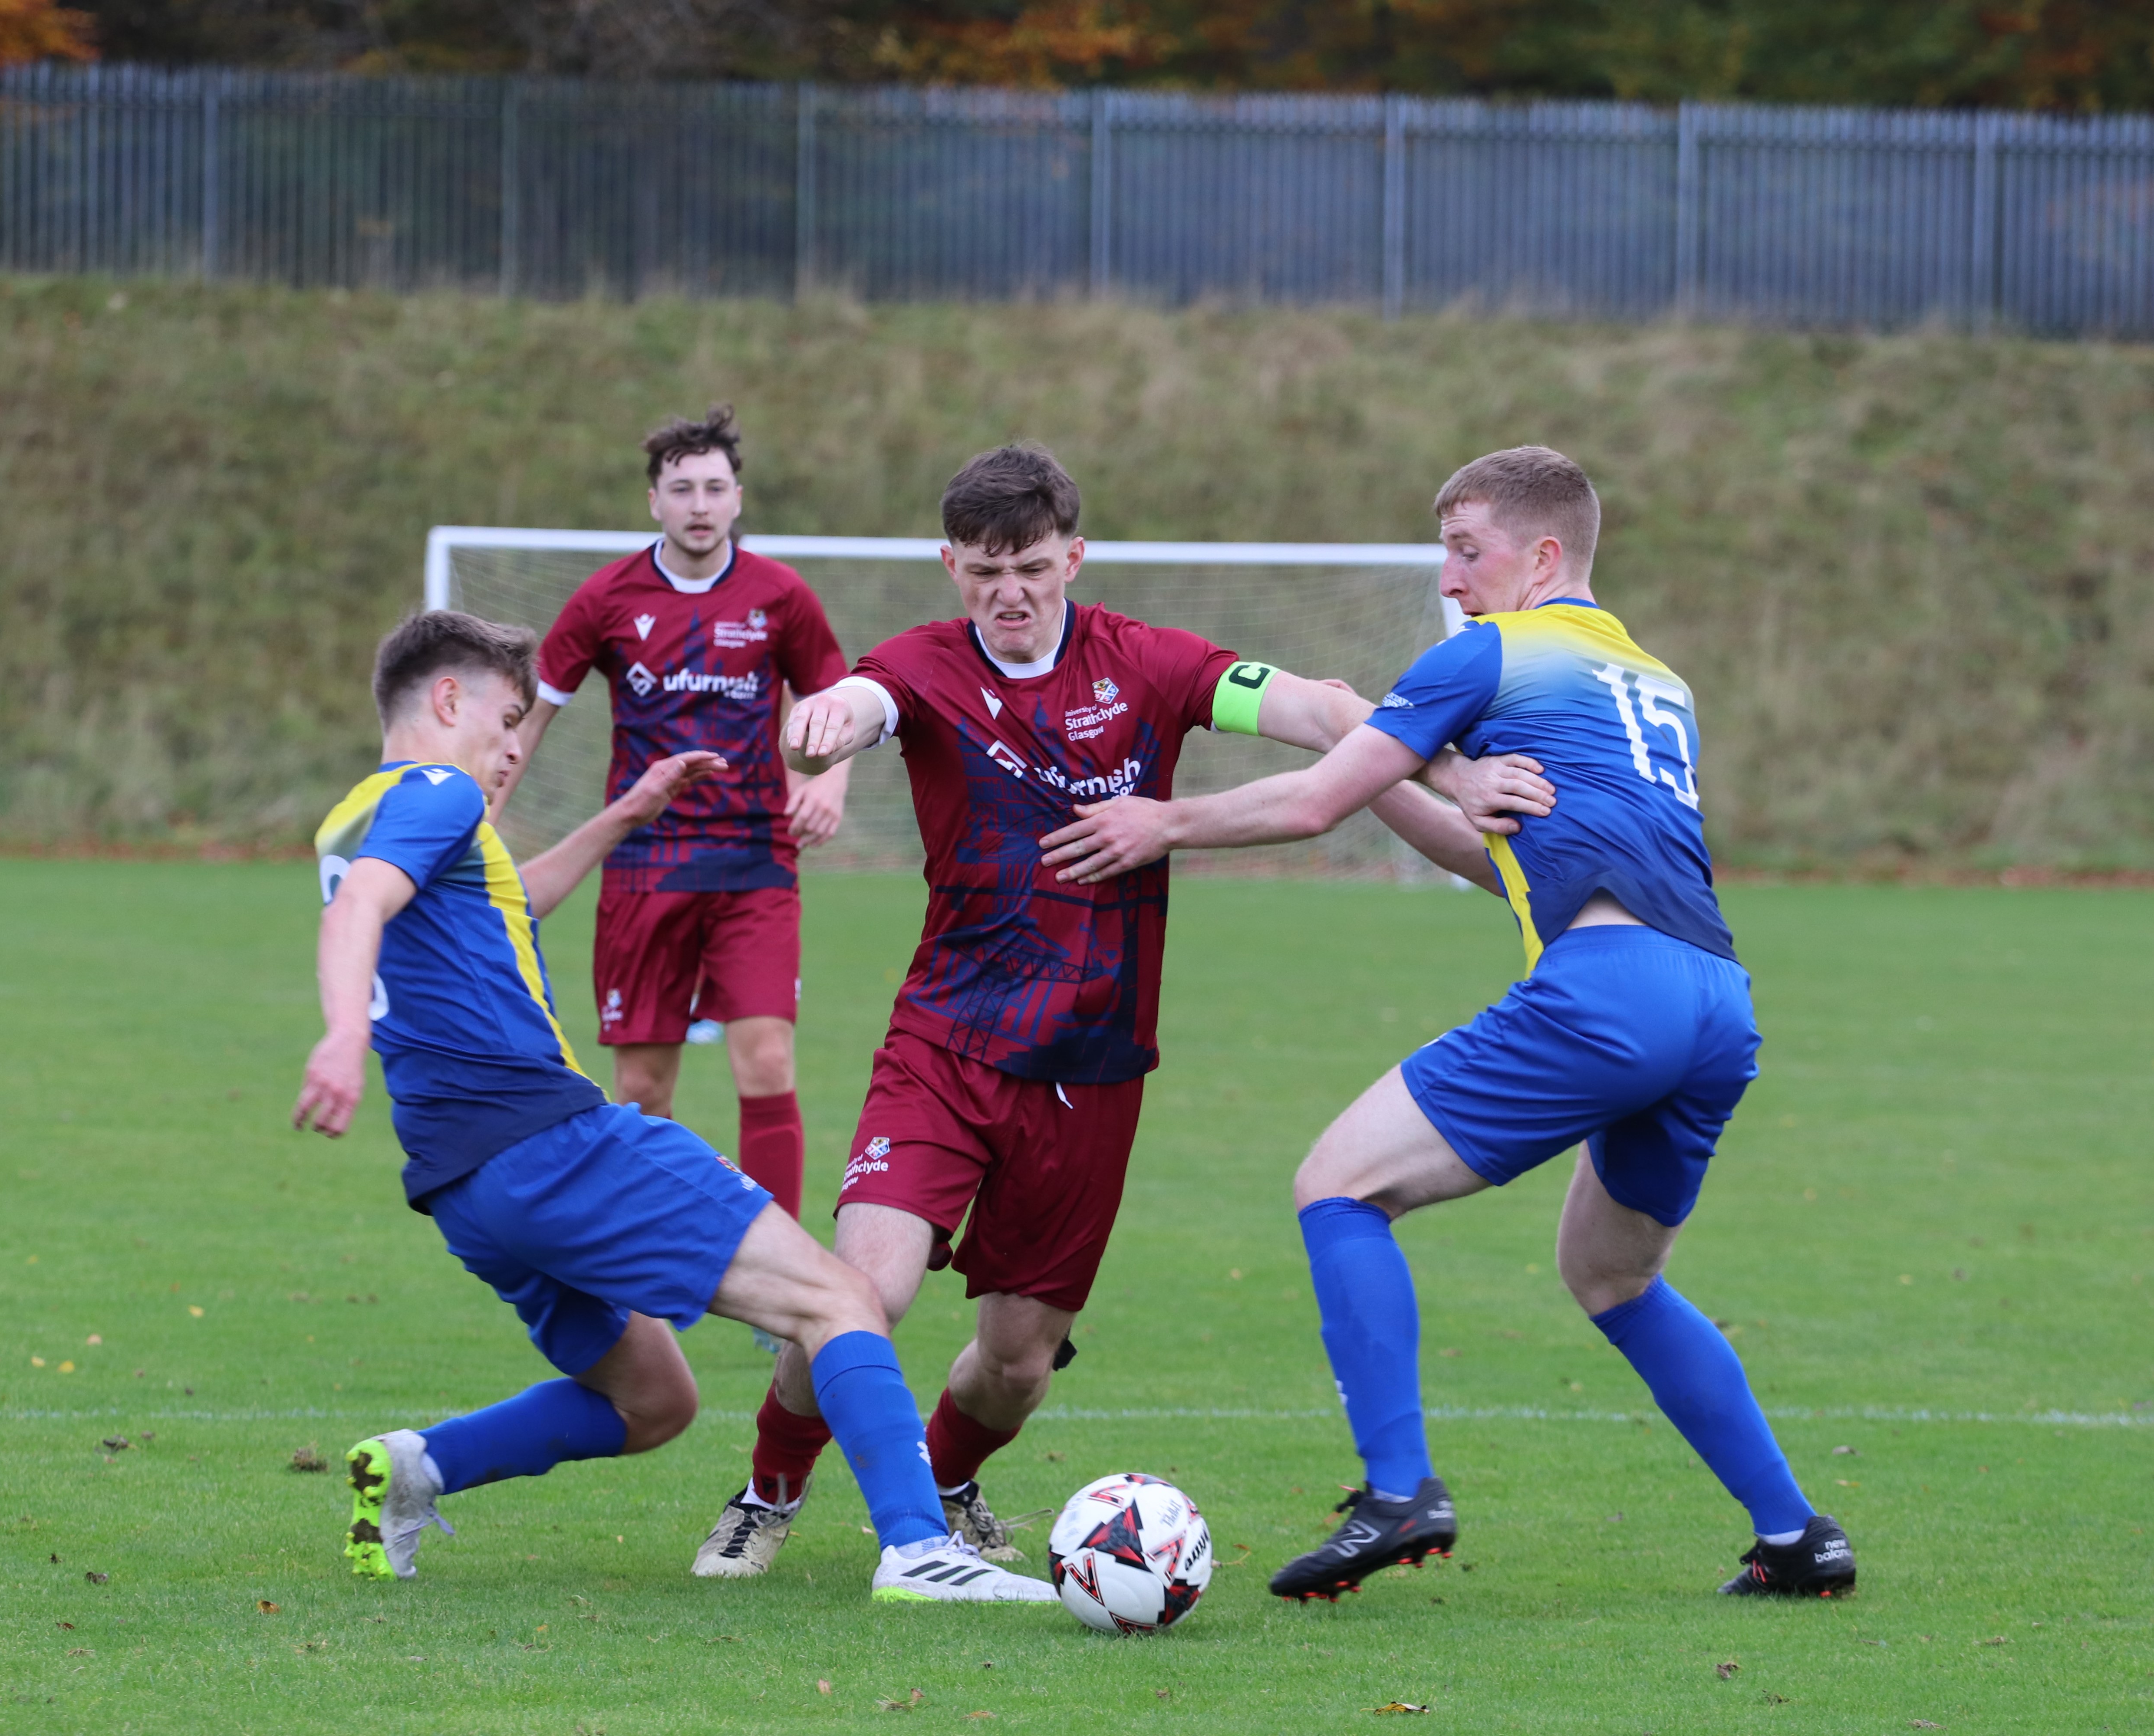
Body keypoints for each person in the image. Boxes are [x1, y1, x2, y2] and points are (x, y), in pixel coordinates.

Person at [686, 443, 1542, 1579]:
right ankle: (768, 1491)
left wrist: (1448, 773)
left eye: (1031, 566)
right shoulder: (921, 668)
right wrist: (822, 725)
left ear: (1072, 556)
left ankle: (942, 1487)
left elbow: (1321, 709)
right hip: (945, 1042)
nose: (1009, 591)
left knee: (1016, 1363)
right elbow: (856, 700)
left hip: (1091, 1067)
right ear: (950, 566)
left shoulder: (1146, 663)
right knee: (858, 1295)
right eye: (985, 570)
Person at [1039, 445, 1858, 1602]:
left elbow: (1316, 799)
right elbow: (1494, 864)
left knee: (1337, 1186)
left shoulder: (1488, 652)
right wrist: (1407, 772)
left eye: (1466, 551)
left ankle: (1398, 1491)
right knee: (1613, 1278)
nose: (1450, 578)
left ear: (1541, 554)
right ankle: (1795, 1536)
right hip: (1714, 1004)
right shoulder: (1653, 684)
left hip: (1608, 997)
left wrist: (1163, 821)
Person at [293, 608, 1053, 1604]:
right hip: (548, 1142)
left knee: (652, 1398)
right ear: (446, 700)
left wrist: (624, 814)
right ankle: (918, 1548)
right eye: (509, 715)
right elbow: (365, 911)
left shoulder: (352, 816)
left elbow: (499, 898)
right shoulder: (437, 788)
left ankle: (414, 1468)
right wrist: (343, 1031)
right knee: (838, 1297)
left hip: (464, 1187)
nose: (518, 742)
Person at [498, 404, 850, 1226]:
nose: (700, 504)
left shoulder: (779, 596)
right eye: (682, 487)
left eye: (715, 487)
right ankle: (651, 1257)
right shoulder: (608, 599)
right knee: (643, 1088)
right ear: (654, 500)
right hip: (645, 864)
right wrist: (477, 812)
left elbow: (835, 701)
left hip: (755, 860)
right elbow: (530, 718)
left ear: (738, 499)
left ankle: (782, 1273)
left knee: (766, 1062)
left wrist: (828, 784)